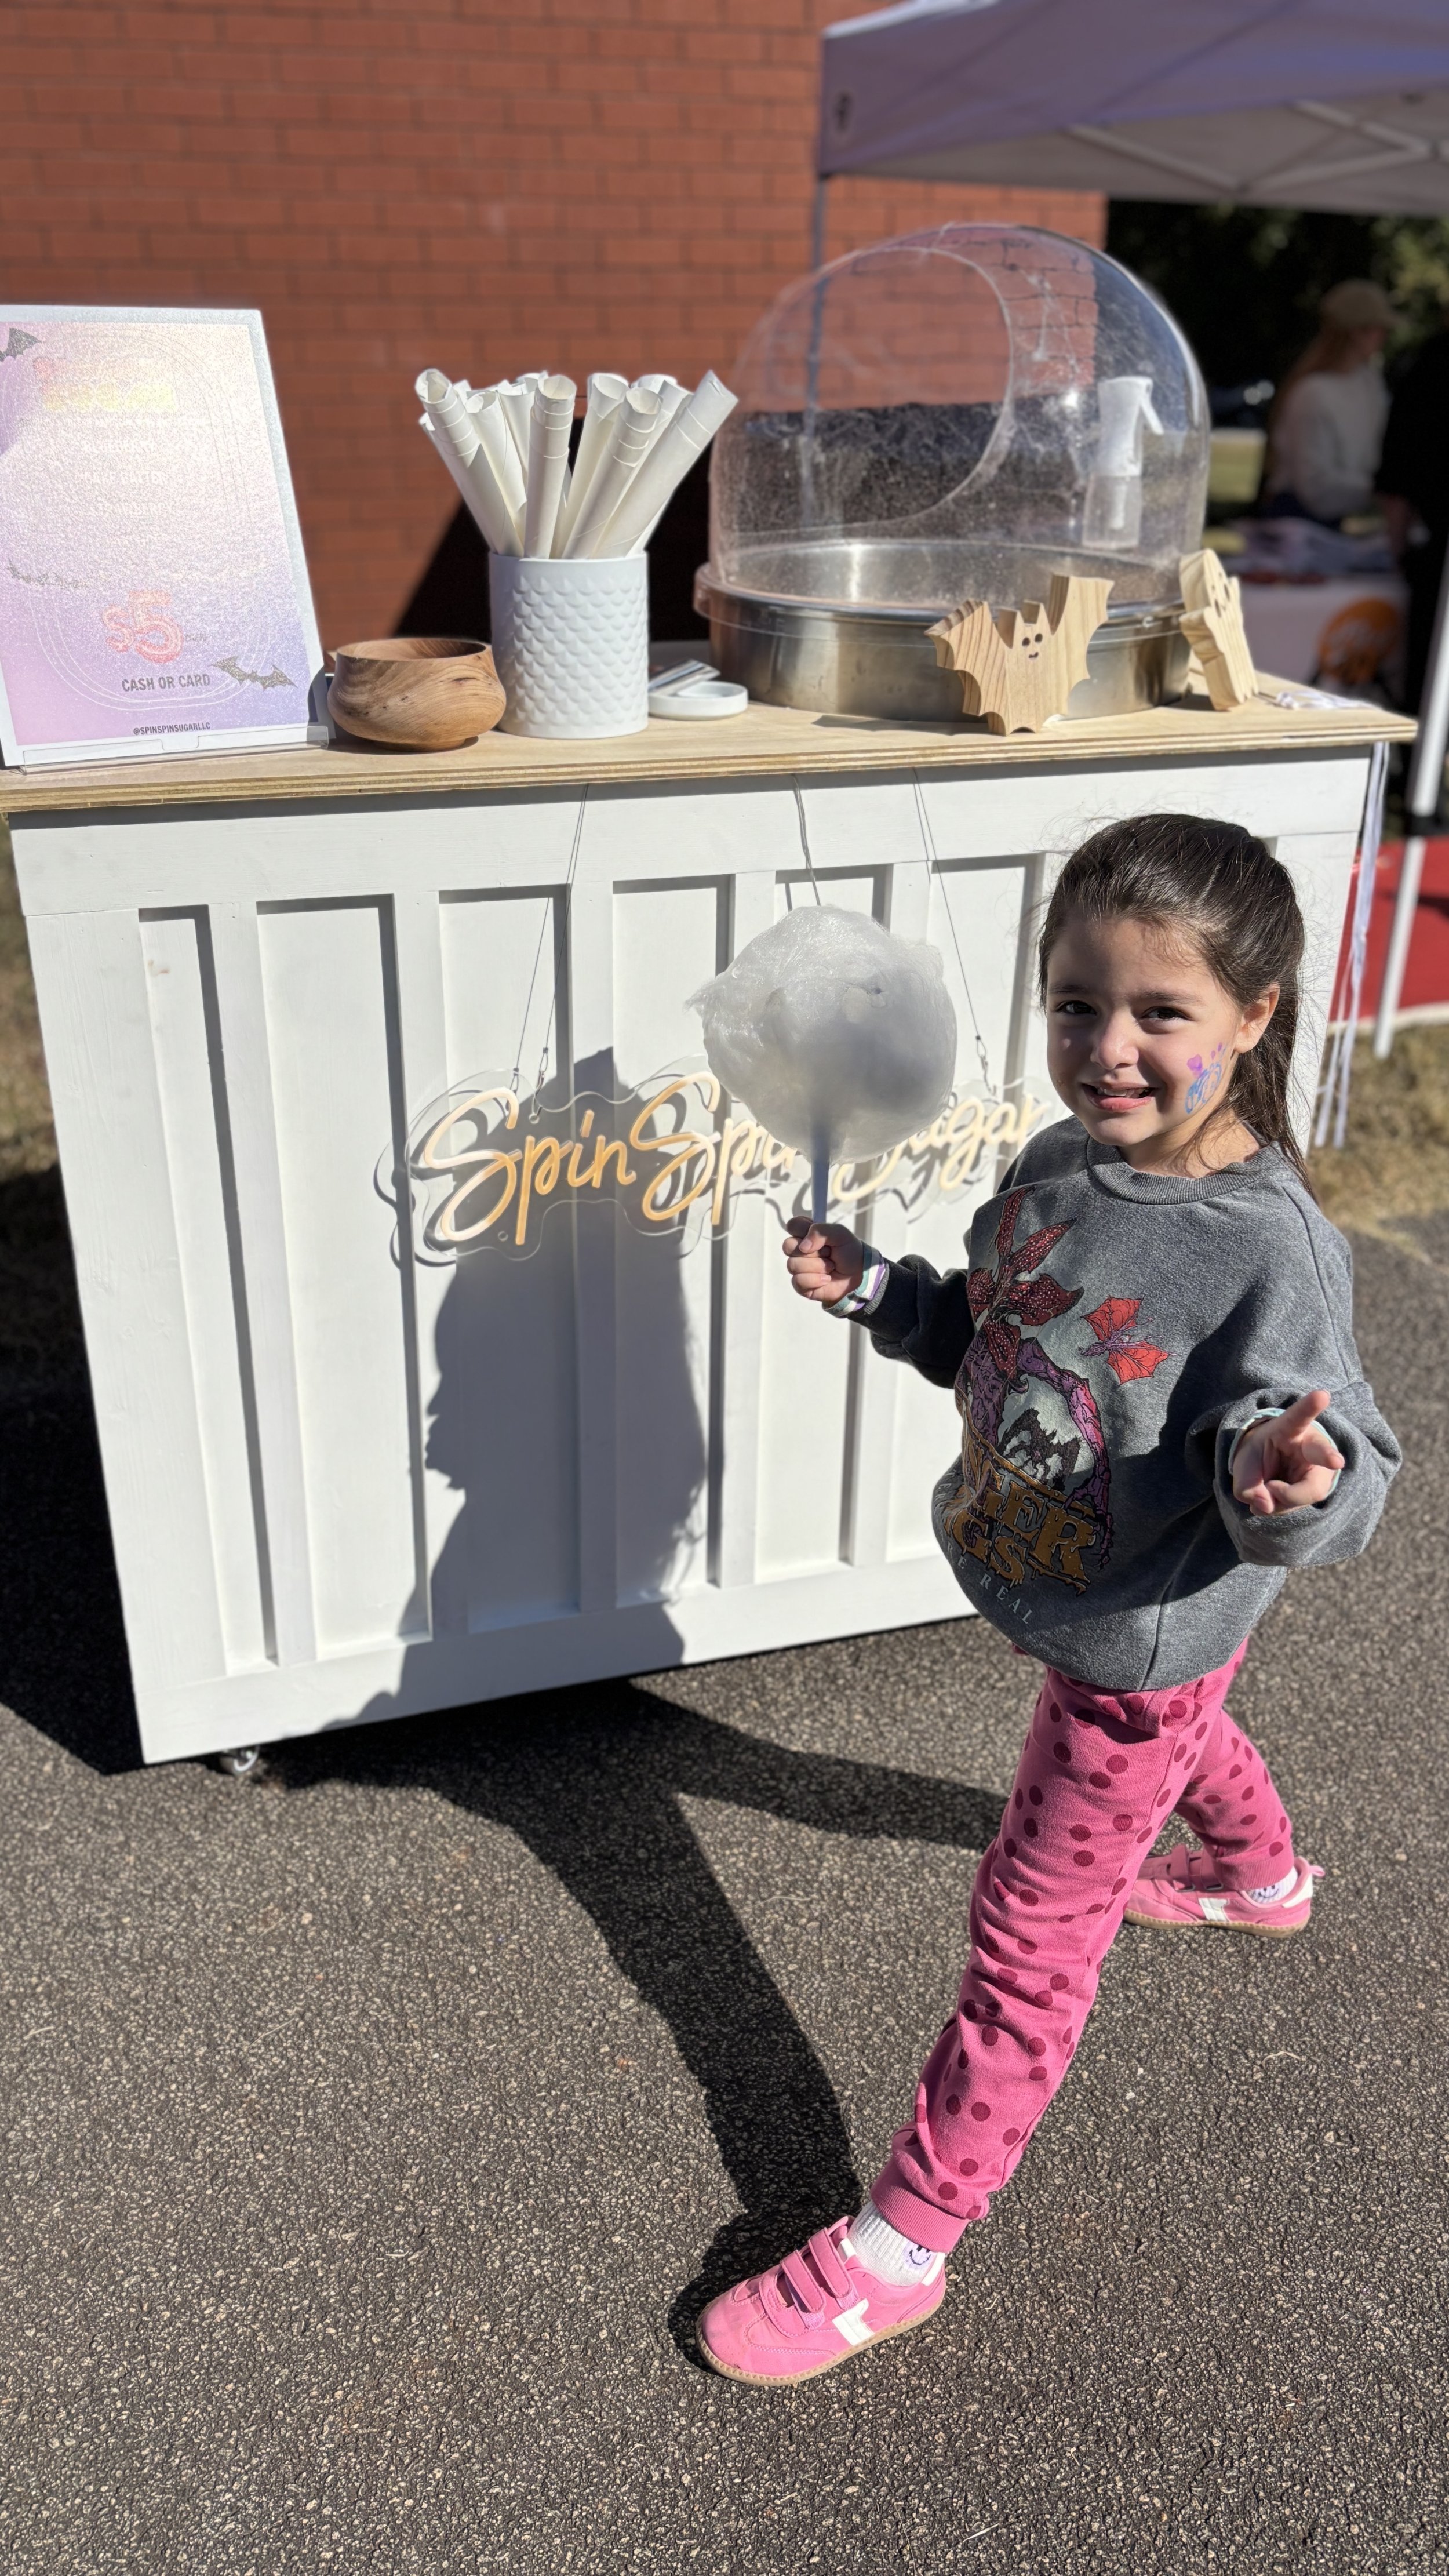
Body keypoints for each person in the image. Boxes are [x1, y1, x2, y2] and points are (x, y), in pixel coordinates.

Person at [696, 814, 1400, 2389]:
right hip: (1100, 1603)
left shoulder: (1265, 1248)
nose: (1110, 1047)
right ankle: (1259, 1874)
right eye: (1077, 1002)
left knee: (1031, 1928)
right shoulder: (1056, 1168)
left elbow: (1335, 1446)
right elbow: (996, 1341)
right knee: (1177, 1715)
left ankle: (904, 2240)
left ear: (1255, 1015)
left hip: (1134, 1635)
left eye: (1162, 1012)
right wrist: (884, 1292)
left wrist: (1297, 1481)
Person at [1262, 278, 1396, 526]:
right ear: (1357, 332)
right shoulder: (1312, 393)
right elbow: (1315, 486)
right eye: (1380, 328)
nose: (1385, 337)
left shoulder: (1369, 384)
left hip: (1334, 519)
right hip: (1296, 520)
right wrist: (1383, 490)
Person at [1377, 312, 1449, 716]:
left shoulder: (1427, 367)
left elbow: (1397, 480)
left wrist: (1399, 546)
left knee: (1430, 689)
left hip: (1437, 557)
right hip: (1439, 556)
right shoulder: (1430, 367)